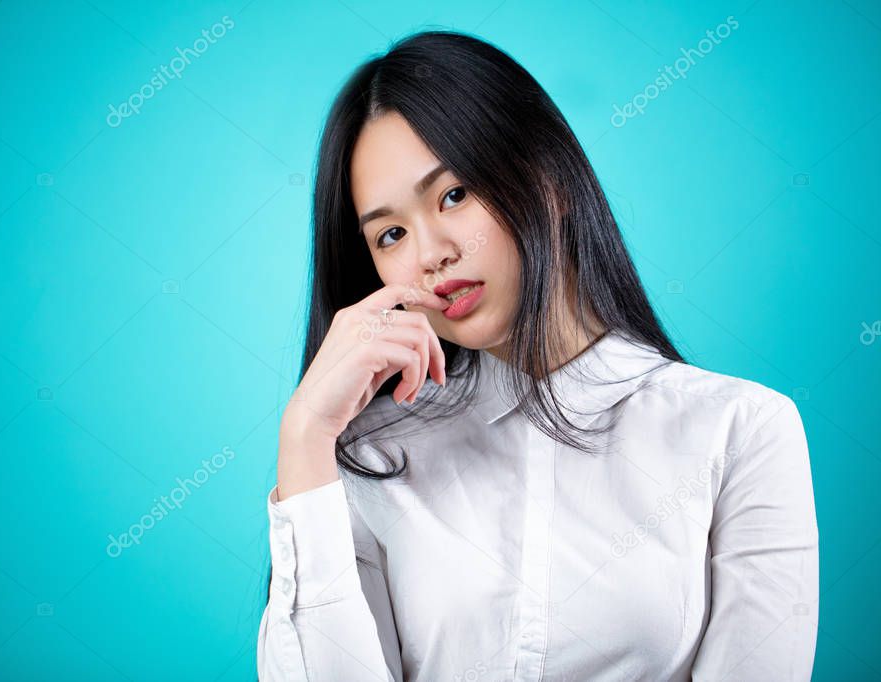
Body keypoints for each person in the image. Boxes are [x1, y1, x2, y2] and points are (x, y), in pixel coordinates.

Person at [256, 30, 818, 681]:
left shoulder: (738, 430)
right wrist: (304, 439)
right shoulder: (368, 460)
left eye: (453, 195)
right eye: (390, 234)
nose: (429, 252)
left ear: (545, 175)